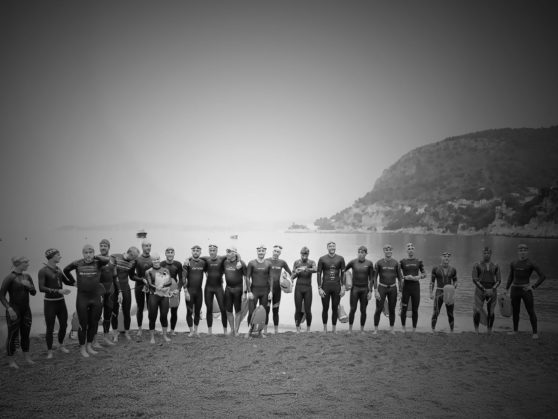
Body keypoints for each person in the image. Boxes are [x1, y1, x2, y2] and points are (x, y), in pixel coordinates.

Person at [63, 244, 110, 358]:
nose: (88, 255)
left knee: (94, 323)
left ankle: (89, 346)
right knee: (83, 324)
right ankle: (82, 348)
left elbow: (107, 260)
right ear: (82, 253)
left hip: (95, 297)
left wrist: (95, 257)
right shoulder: (77, 263)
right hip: (82, 298)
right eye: (86, 253)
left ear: (94, 253)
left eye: (90, 252)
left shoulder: (98, 263)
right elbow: (65, 270)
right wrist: (73, 282)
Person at [1, 257, 36, 368]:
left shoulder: (27, 276)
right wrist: (9, 308)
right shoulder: (10, 277)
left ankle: (27, 357)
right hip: (14, 310)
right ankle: (11, 360)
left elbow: (34, 292)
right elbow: (1, 295)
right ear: (18, 263)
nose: (28, 264)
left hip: (26, 310)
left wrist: (29, 286)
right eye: (26, 262)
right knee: (12, 335)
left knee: (25, 334)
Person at [505, 244, 546, 339]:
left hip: (525, 290)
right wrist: (506, 289)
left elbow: (543, 276)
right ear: (518, 252)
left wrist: (533, 286)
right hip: (514, 290)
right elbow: (511, 276)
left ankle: (535, 333)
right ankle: (515, 330)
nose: (522, 252)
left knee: (531, 311)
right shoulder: (513, 263)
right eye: (521, 250)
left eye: (524, 250)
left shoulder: (531, 263)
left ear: (527, 251)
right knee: (515, 311)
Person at [38, 249, 72, 358]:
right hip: (50, 303)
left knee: (64, 325)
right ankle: (49, 351)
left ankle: (61, 345)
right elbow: (41, 288)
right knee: (50, 328)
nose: (60, 257)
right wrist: (58, 291)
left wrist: (78, 283)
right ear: (52, 257)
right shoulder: (43, 271)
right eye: (58, 255)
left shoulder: (58, 269)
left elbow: (66, 281)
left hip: (61, 302)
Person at [110, 247, 141, 342]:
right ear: (130, 254)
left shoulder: (132, 262)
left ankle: (127, 332)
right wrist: (119, 291)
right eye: (134, 257)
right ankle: (115, 333)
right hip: (115, 288)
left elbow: (132, 276)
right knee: (114, 312)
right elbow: (114, 276)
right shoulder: (115, 257)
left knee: (127, 312)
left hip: (126, 288)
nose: (135, 259)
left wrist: (142, 279)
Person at [316, 242, 346, 333]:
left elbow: (343, 274)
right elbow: (318, 274)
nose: (332, 247)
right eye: (330, 246)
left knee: (335, 308)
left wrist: (343, 287)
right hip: (325, 287)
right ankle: (325, 329)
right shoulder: (322, 259)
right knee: (325, 308)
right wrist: (319, 288)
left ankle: (334, 329)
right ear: (327, 248)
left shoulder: (340, 258)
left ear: (335, 247)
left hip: (336, 287)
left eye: (333, 246)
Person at [373, 244, 402, 334]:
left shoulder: (396, 263)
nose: (388, 251)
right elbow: (374, 278)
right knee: (378, 309)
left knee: (392, 309)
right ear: (384, 251)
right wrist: (375, 290)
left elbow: (400, 278)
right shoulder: (378, 263)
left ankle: (391, 329)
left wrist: (400, 291)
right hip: (382, 288)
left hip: (393, 288)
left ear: (392, 251)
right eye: (386, 250)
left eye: (390, 249)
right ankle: (376, 329)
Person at [96, 238, 120, 347]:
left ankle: (106, 337)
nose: (103, 248)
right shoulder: (96, 259)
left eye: (105, 246)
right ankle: (94, 340)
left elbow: (115, 277)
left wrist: (119, 292)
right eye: (101, 246)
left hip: (110, 291)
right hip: (99, 291)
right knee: (96, 316)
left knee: (107, 315)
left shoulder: (113, 260)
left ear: (108, 247)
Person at [344, 246, 374, 333]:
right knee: (352, 309)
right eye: (359, 252)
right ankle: (350, 329)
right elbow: (343, 270)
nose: (360, 254)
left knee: (363, 310)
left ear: (366, 254)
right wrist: (346, 281)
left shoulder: (369, 263)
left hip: (365, 289)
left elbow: (371, 278)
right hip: (355, 289)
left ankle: (362, 330)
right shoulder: (353, 262)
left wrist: (370, 291)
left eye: (362, 252)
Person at [145, 253, 174, 344]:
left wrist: (163, 286)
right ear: (152, 261)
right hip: (153, 295)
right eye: (154, 260)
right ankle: (152, 337)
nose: (156, 261)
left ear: (159, 259)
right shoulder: (148, 271)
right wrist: (158, 288)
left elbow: (169, 282)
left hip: (164, 296)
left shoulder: (165, 270)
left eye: (157, 259)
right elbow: (149, 284)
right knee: (152, 316)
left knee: (164, 316)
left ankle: (164, 335)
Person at [472, 246, 501, 334]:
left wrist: (493, 289)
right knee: (477, 310)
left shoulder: (496, 265)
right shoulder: (477, 265)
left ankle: (489, 330)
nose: (486, 255)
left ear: (491, 254)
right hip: (480, 290)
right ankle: (476, 330)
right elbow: (474, 279)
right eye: (484, 253)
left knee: (491, 312)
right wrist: (483, 289)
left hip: (492, 290)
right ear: (482, 254)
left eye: (488, 253)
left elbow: (499, 280)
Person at [246, 244, 273, 337]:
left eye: (263, 251)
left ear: (265, 252)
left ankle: (260, 332)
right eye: (259, 251)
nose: (261, 252)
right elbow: (247, 277)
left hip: (265, 291)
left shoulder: (268, 263)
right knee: (251, 312)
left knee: (263, 313)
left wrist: (271, 291)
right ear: (257, 252)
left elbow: (271, 278)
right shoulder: (251, 263)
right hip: (254, 291)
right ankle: (250, 331)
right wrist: (249, 291)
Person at [201, 244, 229, 335]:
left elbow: (235, 254)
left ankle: (225, 331)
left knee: (223, 309)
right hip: (208, 288)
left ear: (217, 251)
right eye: (211, 250)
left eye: (214, 250)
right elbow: (194, 258)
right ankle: (209, 331)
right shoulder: (206, 259)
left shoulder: (221, 258)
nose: (212, 252)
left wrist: (239, 261)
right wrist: (187, 259)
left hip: (219, 287)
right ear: (208, 251)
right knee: (209, 309)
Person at [399, 243, 426, 333]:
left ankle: (414, 329)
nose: (410, 250)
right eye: (409, 248)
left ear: (414, 250)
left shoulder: (419, 261)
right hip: (406, 287)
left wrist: (418, 277)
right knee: (404, 309)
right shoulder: (402, 261)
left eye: (412, 248)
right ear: (406, 251)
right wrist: (405, 277)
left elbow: (424, 274)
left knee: (415, 309)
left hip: (415, 287)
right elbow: (397, 273)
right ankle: (403, 328)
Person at [265, 245, 292, 334]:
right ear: (272, 251)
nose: (276, 253)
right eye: (275, 251)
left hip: (277, 290)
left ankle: (276, 330)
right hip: (268, 290)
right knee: (266, 310)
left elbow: (290, 273)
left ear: (280, 253)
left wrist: (285, 277)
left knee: (275, 310)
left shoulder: (282, 262)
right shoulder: (266, 261)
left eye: (278, 252)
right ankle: (265, 330)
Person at [430, 251, 458, 333]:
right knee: (436, 312)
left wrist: (454, 286)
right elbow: (432, 282)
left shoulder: (453, 269)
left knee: (450, 313)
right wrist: (431, 293)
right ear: (441, 257)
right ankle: (433, 330)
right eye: (444, 256)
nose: (446, 258)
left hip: (449, 293)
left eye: (448, 257)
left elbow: (455, 280)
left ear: (450, 258)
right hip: (439, 292)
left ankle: (452, 331)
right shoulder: (435, 269)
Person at [183, 245, 207, 337]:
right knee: (189, 312)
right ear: (191, 252)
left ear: (200, 252)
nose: (195, 252)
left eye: (197, 250)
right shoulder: (187, 263)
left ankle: (196, 330)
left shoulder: (203, 263)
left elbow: (208, 272)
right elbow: (183, 278)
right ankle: (191, 331)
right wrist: (185, 291)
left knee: (197, 312)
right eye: (194, 250)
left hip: (199, 292)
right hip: (189, 291)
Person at [223, 246, 247, 335]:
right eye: (227, 252)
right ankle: (232, 330)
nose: (227, 254)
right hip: (228, 289)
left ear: (234, 253)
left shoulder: (241, 263)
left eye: (229, 252)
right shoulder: (225, 262)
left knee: (238, 311)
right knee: (228, 310)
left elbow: (246, 278)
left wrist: (245, 292)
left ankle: (236, 330)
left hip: (238, 290)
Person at [292, 246, 316, 332]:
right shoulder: (296, 262)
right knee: (298, 310)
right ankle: (298, 329)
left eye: (306, 254)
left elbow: (315, 269)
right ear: (300, 254)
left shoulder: (311, 262)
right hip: (298, 288)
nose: (304, 256)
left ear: (308, 254)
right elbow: (292, 276)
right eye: (303, 254)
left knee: (308, 310)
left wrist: (307, 269)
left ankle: (308, 329)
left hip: (308, 288)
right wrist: (296, 273)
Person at [160, 247, 183, 336]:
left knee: (174, 311)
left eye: (171, 252)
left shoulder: (178, 264)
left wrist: (178, 289)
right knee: (163, 311)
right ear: (165, 254)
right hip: (164, 289)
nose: (170, 254)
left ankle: (172, 330)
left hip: (174, 289)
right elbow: (159, 278)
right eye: (168, 252)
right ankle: (164, 330)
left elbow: (181, 279)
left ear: (174, 254)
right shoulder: (161, 264)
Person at [134, 239, 153, 337]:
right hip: (139, 286)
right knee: (140, 307)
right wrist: (141, 279)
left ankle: (151, 328)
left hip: (150, 286)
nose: (148, 247)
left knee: (151, 307)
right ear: (142, 247)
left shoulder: (153, 259)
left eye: (149, 245)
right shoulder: (137, 259)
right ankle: (140, 329)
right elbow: (132, 275)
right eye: (146, 246)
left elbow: (157, 272)